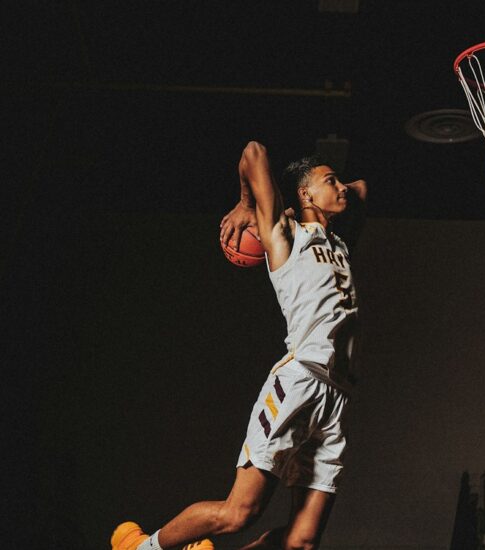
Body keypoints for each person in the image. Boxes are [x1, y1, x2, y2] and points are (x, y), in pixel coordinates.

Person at [111, 141, 367, 550]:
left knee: (302, 542)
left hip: (337, 398)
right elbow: (253, 152)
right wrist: (249, 202)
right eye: (329, 181)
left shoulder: (338, 243)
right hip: (300, 382)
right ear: (304, 194)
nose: (341, 187)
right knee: (238, 514)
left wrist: (334, 184)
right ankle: (141, 548)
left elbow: (362, 187)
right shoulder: (283, 233)